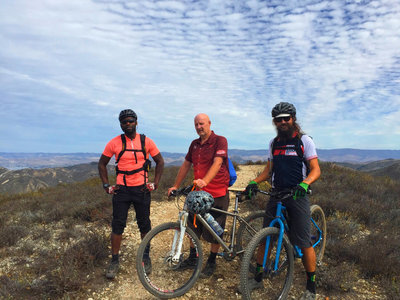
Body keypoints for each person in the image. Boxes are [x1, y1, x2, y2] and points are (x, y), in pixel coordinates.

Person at [244, 102, 321, 300]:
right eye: (278, 119)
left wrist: (305, 184)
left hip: (298, 194)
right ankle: (258, 278)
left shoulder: (304, 140)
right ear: (274, 122)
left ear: (293, 119)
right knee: (266, 238)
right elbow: (268, 171)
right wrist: (254, 181)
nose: (282, 122)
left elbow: (315, 169)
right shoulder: (274, 143)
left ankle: (311, 287)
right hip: (277, 194)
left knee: (304, 242)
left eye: (286, 118)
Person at [98, 109, 164, 280]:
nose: (127, 124)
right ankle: (114, 260)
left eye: (130, 121)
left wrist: (155, 183)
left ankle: (145, 257)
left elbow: (160, 161)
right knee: (117, 225)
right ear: (120, 124)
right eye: (124, 122)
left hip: (141, 189)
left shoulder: (146, 142)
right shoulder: (114, 143)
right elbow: (102, 164)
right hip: (122, 190)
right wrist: (106, 185)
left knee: (144, 224)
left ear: (136, 122)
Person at [167, 113, 230, 278]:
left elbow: (218, 162)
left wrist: (206, 181)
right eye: (196, 125)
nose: (199, 127)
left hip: (217, 192)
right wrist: (176, 185)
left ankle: (211, 260)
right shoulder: (194, 144)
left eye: (201, 124)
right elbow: (186, 164)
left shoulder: (220, 140)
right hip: (198, 193)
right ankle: (193, 258)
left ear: (209, 123)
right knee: (192, 226)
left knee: (215, 228)